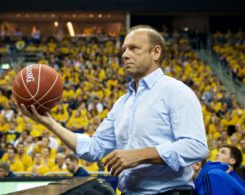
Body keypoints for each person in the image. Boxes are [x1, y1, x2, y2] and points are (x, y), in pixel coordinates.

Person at [19, 25, 208, 194]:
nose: (125, 54)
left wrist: (140, 155)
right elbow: (93, 149)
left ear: (155, 52)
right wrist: (49, 123)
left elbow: (197, 147)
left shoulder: (176, 91)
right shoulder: (122, 103)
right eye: (124, 49)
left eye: (134, 48)